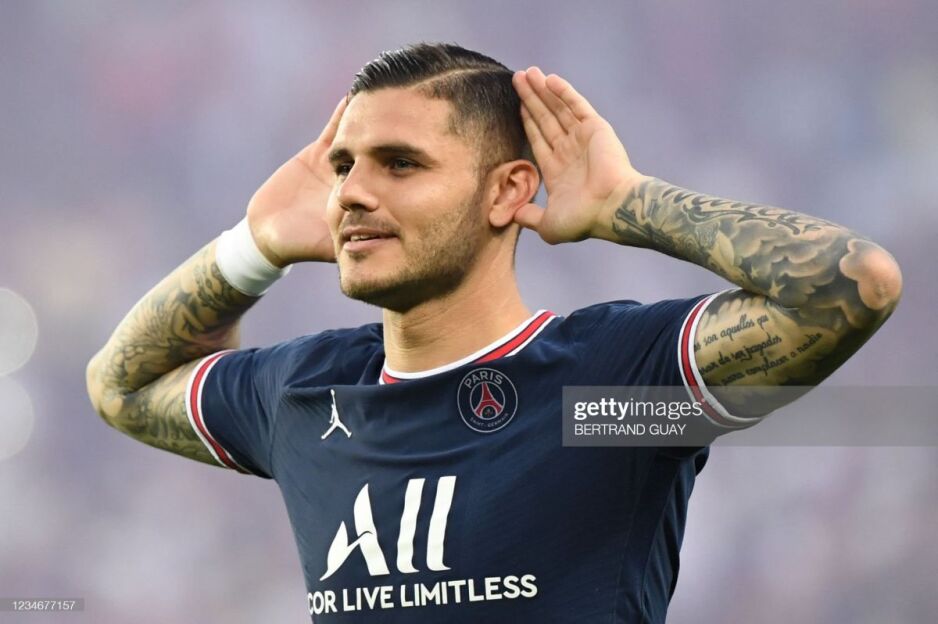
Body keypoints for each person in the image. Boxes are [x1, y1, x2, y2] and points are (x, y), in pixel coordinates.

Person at [85, 43, 902, 623]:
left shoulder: (605, 394)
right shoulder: (300, 396)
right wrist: (253, 248)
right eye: (343, 166)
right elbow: (118, 388)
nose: (352, 193)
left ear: (507, 192)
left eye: (400, 163)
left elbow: (853, 285)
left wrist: (630, 204)